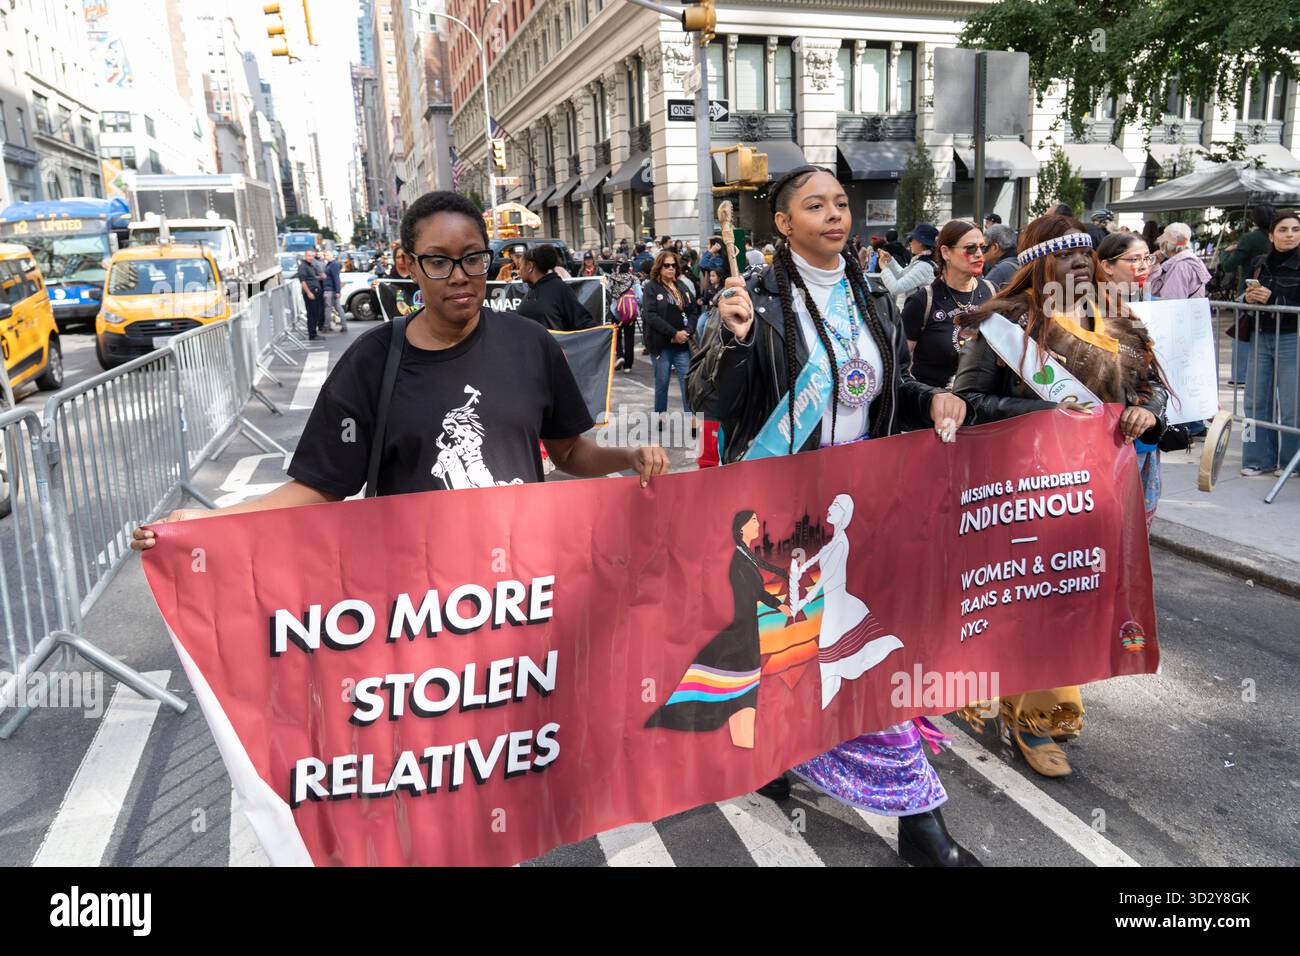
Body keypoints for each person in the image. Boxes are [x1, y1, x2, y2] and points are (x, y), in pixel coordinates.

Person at [687, 165, 978, 867]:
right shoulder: (749, 298)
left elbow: (881, 389)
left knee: (863, 653)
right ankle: (919, 823)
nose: (834, 215)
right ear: (782, 223)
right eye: (814, 205)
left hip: (863, 507)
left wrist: (929, 399)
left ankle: (910, 815)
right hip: (784, 515)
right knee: (804, 651)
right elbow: (708, 401)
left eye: (841, 203)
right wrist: (732, 342)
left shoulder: (870, 290)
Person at [132, 190, 668, 536]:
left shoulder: (532, 344)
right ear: (408, 264)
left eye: (474, 258)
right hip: (418, 605)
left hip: (522, 591)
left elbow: (569, 451)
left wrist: (630, 456)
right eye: (439, 261)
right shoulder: (370, 362)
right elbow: (319, 487)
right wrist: (206, 524)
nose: (460, 275)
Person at [952, 213, 1169, 778]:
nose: (1080, 265)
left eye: (1085, 255)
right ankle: (1037, 720)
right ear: (1037, 265)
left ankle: (1008, 695)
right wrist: (1045, 412)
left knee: (1074, 602)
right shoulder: (1004, 323)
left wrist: (1149, 411)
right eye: (1066, 256)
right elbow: (968, 401)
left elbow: (1152, 391)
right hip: (1022, 486)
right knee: (1031, 602)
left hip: (1097, 490)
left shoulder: (1117, 319)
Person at [901, 220, 997, 388]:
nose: (979, 254)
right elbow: (899, 364)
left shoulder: (992, 292)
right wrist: (928, 398)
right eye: (970, 248)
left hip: (985, 406)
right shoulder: (922, 301)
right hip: (937, 407)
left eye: (983, 247)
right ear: (946, 252)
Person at [1240, 210, 1300, 478]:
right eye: (1284, 229)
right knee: (1253, 401)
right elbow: (1244, 297)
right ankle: (1255, 459)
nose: (1290, 234)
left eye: (1296, 230)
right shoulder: (1260, 262)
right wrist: (1249, 298)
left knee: (1292, 405)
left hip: (1292, 337)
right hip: (1260, 334)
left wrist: (1273, 298)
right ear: (1271, 235)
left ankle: (1292, 463)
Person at [642, 249, 699, 439]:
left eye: (674, 265)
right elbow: (650, 316)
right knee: (662, 381)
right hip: (661, 344)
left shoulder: (681, 285)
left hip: (682, 344)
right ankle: (660, 416)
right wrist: (673, 333)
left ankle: (691, 419)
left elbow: (693, 311)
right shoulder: (651, 287)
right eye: (667, 265)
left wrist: (687, 332)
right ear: (659, 267)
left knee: (687, 381)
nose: (671, 269)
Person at [516, 244, 594, 331]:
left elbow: (582, 321)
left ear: (530, 266)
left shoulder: (560, 289)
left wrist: (607, 332)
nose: (519, 271)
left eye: (520, 266)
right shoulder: (532, 289)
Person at [878, 222, 938, 309]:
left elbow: (896, 288)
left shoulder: (924, 266)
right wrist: (890, 261)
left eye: (911, 239)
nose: (909, 242)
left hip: (914, 315)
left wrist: (884, 268)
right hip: (911, 312)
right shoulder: (921, 261)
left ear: (920, 242)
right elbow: (902, 275)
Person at [1147, 222, 1211, 299]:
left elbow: (1171, 302)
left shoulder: (1181, 266)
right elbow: (1154, 289)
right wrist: (1153, 262)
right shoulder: (1191, 261)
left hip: (1182, 310)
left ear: (1166, 243)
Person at [298, 248, 327, 340]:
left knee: (316, 313)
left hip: (316, 292)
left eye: (312, 256)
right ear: (305, 256)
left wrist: (320, 277)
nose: (311, 258)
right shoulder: (303, 266)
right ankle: (312, 334)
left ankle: (314, 332)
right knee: (312, 314)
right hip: (311, 293)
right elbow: (303, 281)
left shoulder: (310, 265)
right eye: (309, 256)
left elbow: (312, 278)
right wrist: (309, 293)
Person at [983, 223, 1020, 288]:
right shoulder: (1019, 261)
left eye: (983, 247)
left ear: (995, 248)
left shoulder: (1001, 270)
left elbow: (982, 295)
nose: (979, 252)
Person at [322, 250, 346, 333]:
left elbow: (336, 278)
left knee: (329, 309)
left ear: (331, 256)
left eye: (327, 255)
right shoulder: (329, 264)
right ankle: (344, 326)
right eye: (325, 255)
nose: (325, 256)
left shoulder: (333, 264)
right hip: (331, 289)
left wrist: (338, 291)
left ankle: (326, 327)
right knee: (337, 308)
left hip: (330, 290)